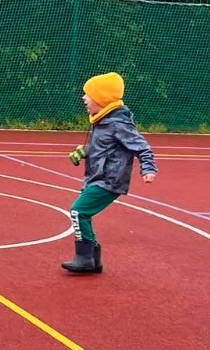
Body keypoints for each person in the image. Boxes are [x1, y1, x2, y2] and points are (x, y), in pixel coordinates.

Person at [62, 71, 156, 274]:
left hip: (109, 180)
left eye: (88, 95)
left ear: (102, 99)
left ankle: (85, 258)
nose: (84, 98)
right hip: (97, 177)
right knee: (84, 213)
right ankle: (93, 260)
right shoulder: (103, 122)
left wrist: (148, 168)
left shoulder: (118, 124)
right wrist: (85, 151)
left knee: (78, 211)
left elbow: (142, 147)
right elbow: (105, 148)